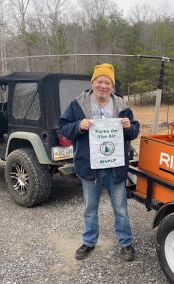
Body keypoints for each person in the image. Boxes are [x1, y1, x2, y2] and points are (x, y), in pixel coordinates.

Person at [59, 63, 140, 261]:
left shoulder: (121, 105)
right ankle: (88, 242)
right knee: (90, 208)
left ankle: (126, 242)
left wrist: (130, 127)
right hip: (90, 167)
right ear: (93, 82)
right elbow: (63, 127)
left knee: (120, 208)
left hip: (115, 167)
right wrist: (79, 125)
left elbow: (135, 131)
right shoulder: (78, 105)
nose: (103, 86)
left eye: (108, 82)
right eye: (100, 81)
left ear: (112, 86)